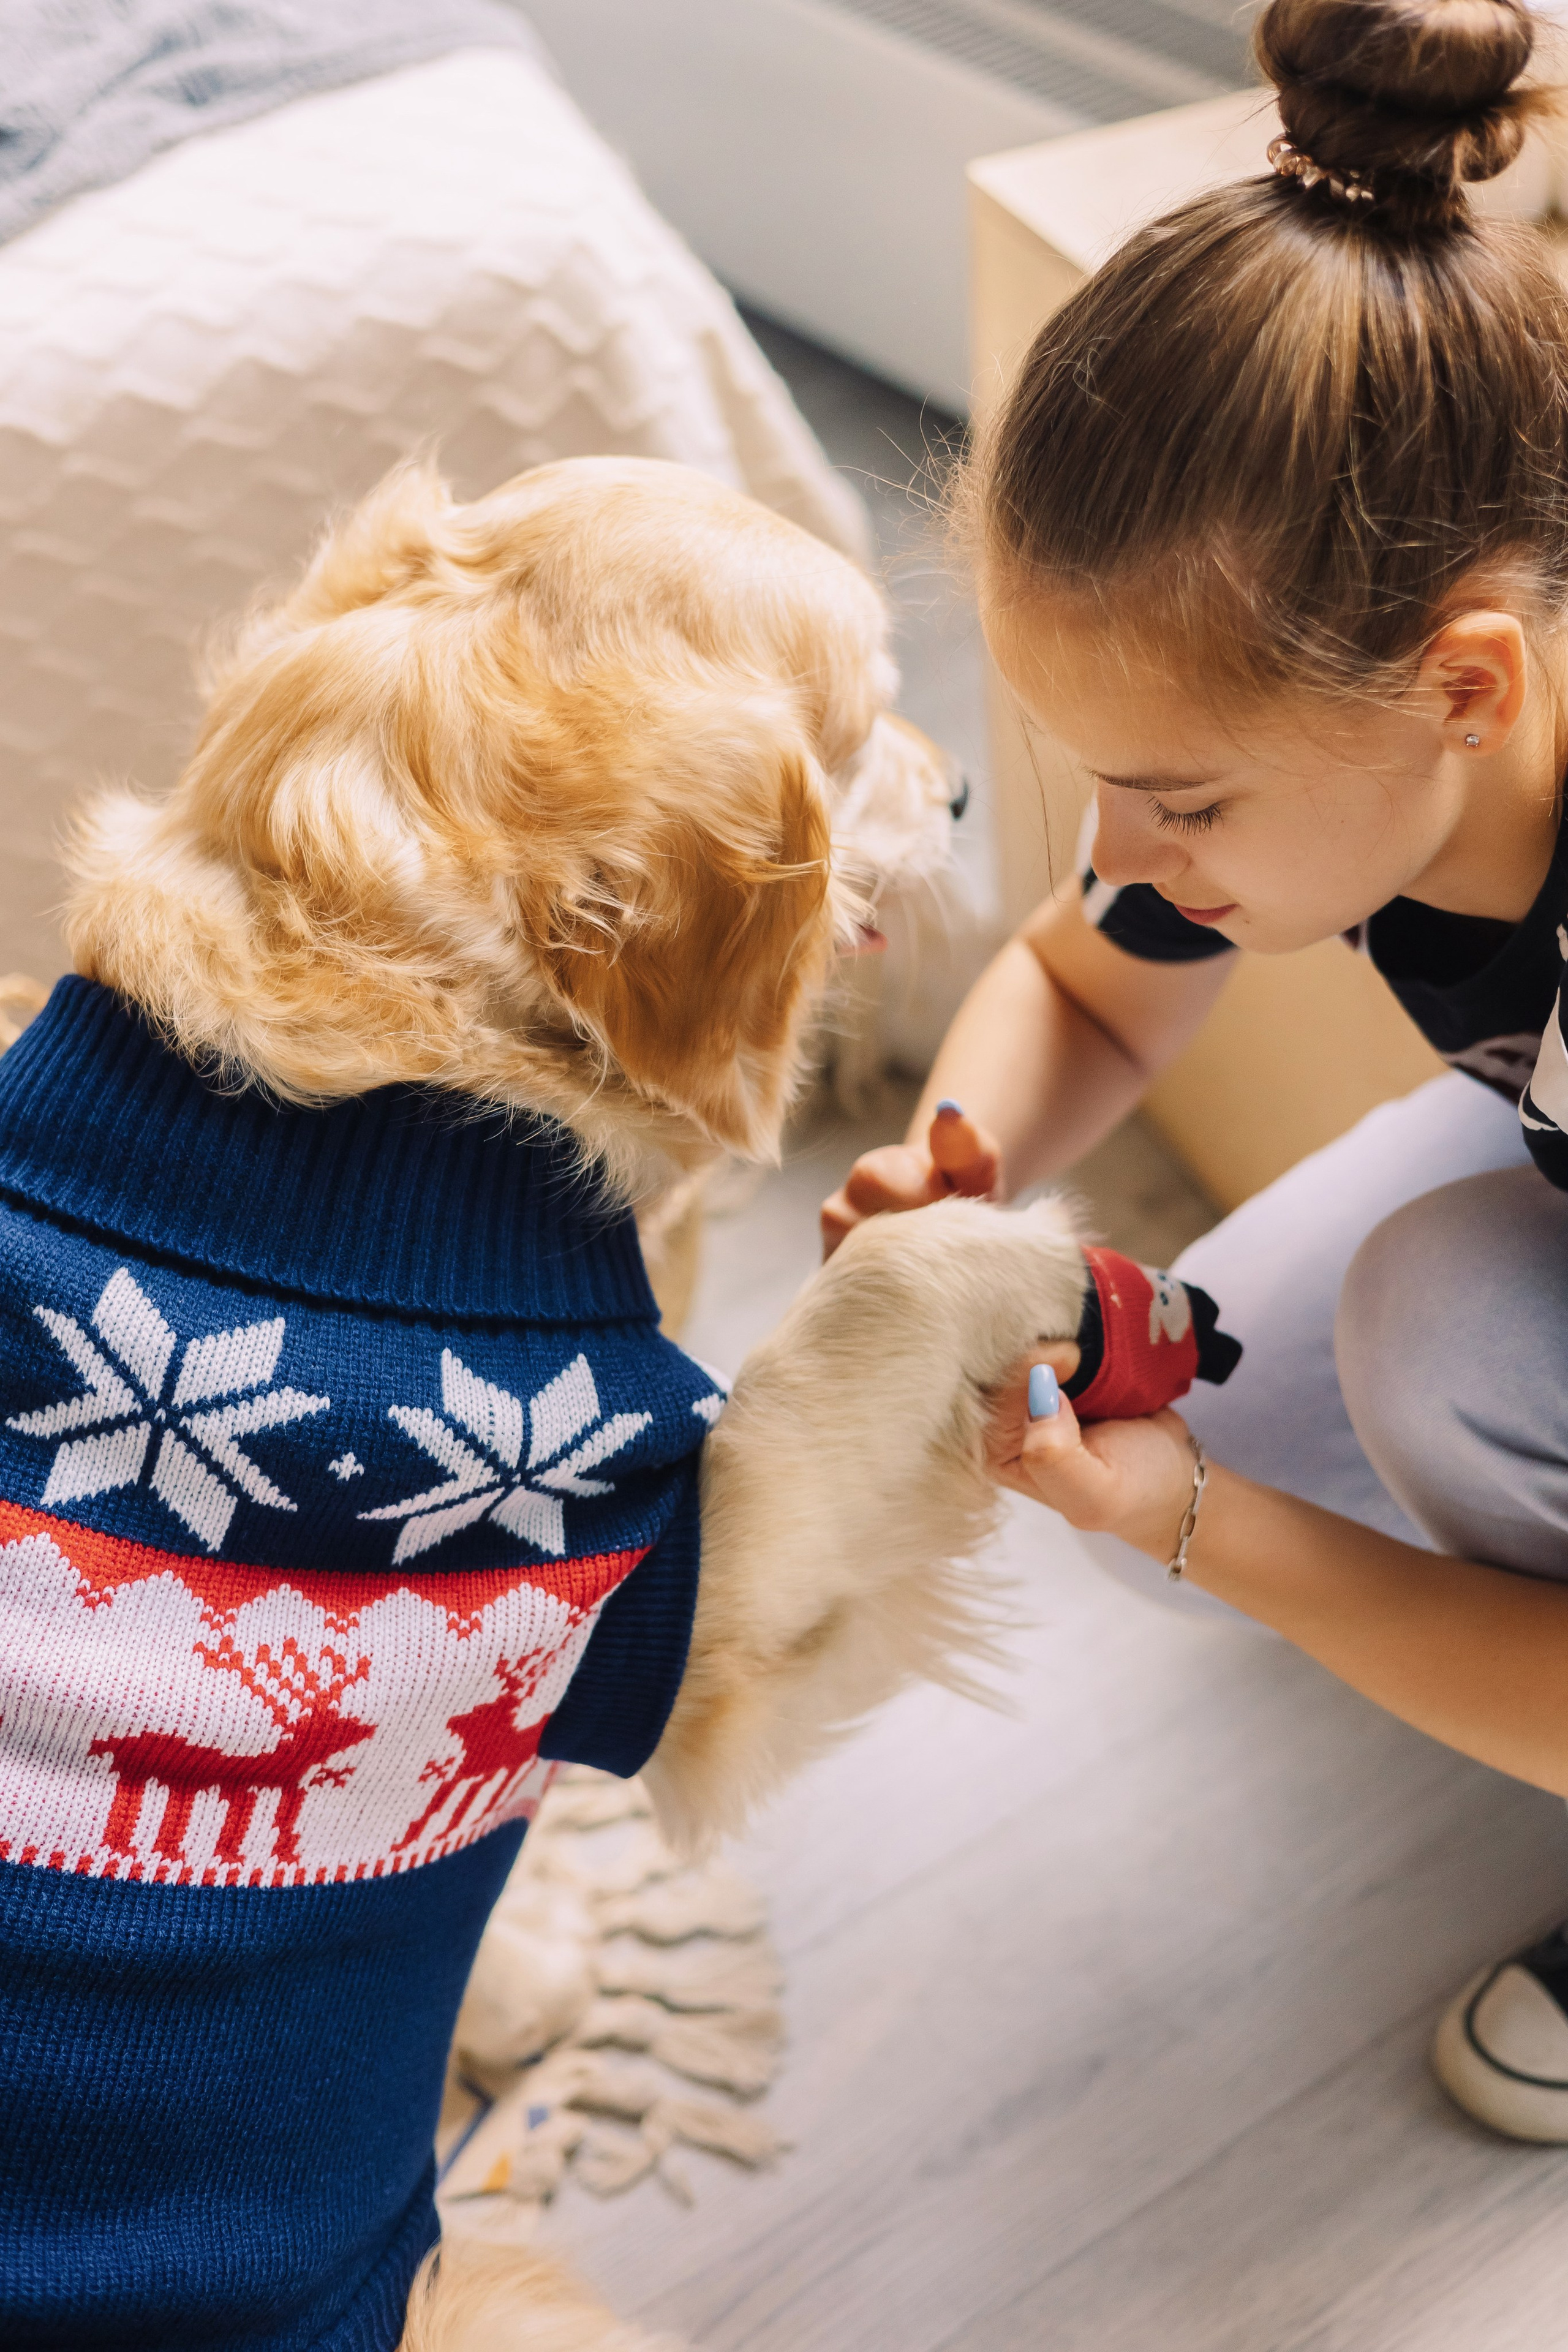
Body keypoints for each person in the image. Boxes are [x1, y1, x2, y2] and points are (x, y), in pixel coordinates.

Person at [822, 0, 1568, 2146]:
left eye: (1188, 804)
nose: (1128, 854)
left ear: (1462, 682)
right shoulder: (1383, 703)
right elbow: (1085, 978)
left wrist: (1196, 1533)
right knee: (1222, 1354)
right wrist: (966, 1165)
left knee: (1394, 1352)